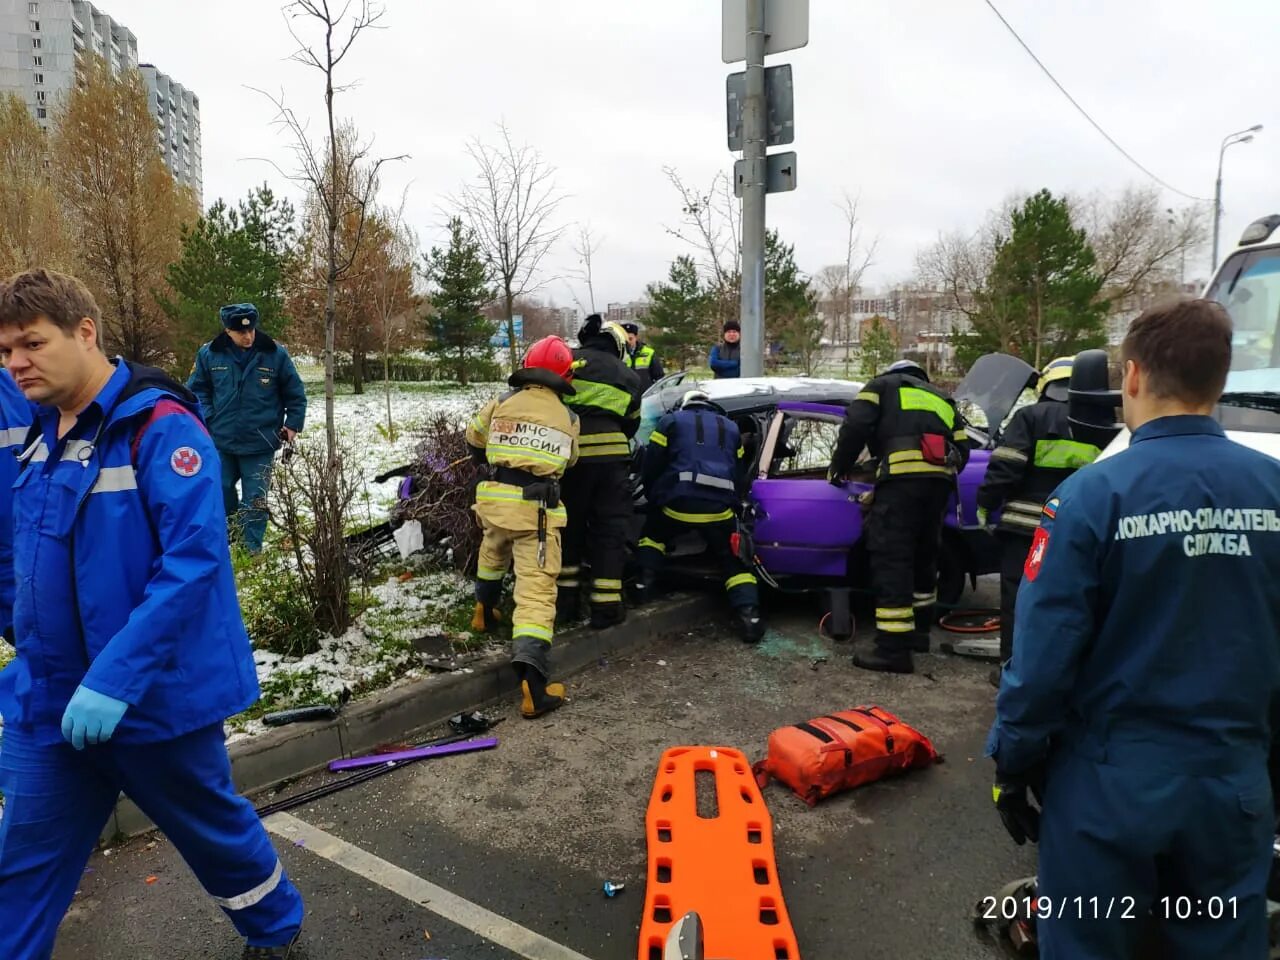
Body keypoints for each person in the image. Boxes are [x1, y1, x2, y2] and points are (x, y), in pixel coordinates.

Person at [0, 269, 304, 960]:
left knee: (213, 833)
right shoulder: (40, 434)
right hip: (51, 700)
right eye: (5, 350)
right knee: (19, 867)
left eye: (30, 343)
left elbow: (194, 563)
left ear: (85, 332)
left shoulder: (160, 426)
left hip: (152, 698)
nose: (15, 362)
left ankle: (276, 928)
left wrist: (114, 678)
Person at [987, 299, 1280, 959]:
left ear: (1134, 376)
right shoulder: (1274, 490)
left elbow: (1040, 664)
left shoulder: (1090, 498)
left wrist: (1012, 763)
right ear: (1221, 381)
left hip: (1108, 795)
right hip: (1231, 788)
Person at [828, 358, 969, 673]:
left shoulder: (882, 386)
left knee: (892, 561)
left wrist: (840, 466)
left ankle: (893, 651)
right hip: (938, 487)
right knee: (924, 559)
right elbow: (964, 449)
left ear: (893, 373)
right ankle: (918, 636)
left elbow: (855, 426)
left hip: (900, 486)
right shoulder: (942, 398)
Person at [465, 336, 580, 719]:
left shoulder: (502, 401)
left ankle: (483, 611)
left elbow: (474, 437)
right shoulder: (569, 417)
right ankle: (534, 686)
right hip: (537, 511)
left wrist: (499, 456)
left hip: (497, 499)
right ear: (564, 377)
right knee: (535, 592)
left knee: (492, 549)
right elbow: (571, 461)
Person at [975, 356, 1099, 686]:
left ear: (1047, 385)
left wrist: (986, 503)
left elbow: (1007, 466)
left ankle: (1011, 671)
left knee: (1018, 601)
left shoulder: (1031, 416)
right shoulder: (1101, 422)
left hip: (1025, 532)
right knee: (1071, 603)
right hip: (1079, 532)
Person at [633, 390, 764, 641]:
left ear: (684, 405)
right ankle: (750, 619)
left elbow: (652, 463)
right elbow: (737, 473)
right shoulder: (732, 429)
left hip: (677, 505)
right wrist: (733, 503)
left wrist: (654, 497)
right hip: (718, 511)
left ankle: (642, 588)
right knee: (734, 560)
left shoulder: (670, 422)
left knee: (653, 534)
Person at [187, 302, 307, 554]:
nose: (248, 335)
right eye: (241, 331)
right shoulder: (210, 354)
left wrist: (293, 424)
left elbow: (295, 393)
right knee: (220, 490)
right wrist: (209, 417)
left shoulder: (275, 354)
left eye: (251, 329)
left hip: (260, 442)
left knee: (255, 499)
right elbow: (197, 391)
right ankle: (230, 536)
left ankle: (250, 550)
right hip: (222, 441)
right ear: (228, 331)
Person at [557, 315, 643, 628]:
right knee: (610, 532)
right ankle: (606, 607)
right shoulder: (628, 374)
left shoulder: (569, 362)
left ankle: (565, 604)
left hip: (571, 460)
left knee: (569, 529)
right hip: (612, 464)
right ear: (619, 345)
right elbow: (632, 423)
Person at [622, 321, 665, 386]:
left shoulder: (649, 353)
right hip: (626, 394)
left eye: (630, 339)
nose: (628, 342)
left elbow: (659, 377)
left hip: (645, 394)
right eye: (625, 339)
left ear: (636, 338)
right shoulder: (618, 354)